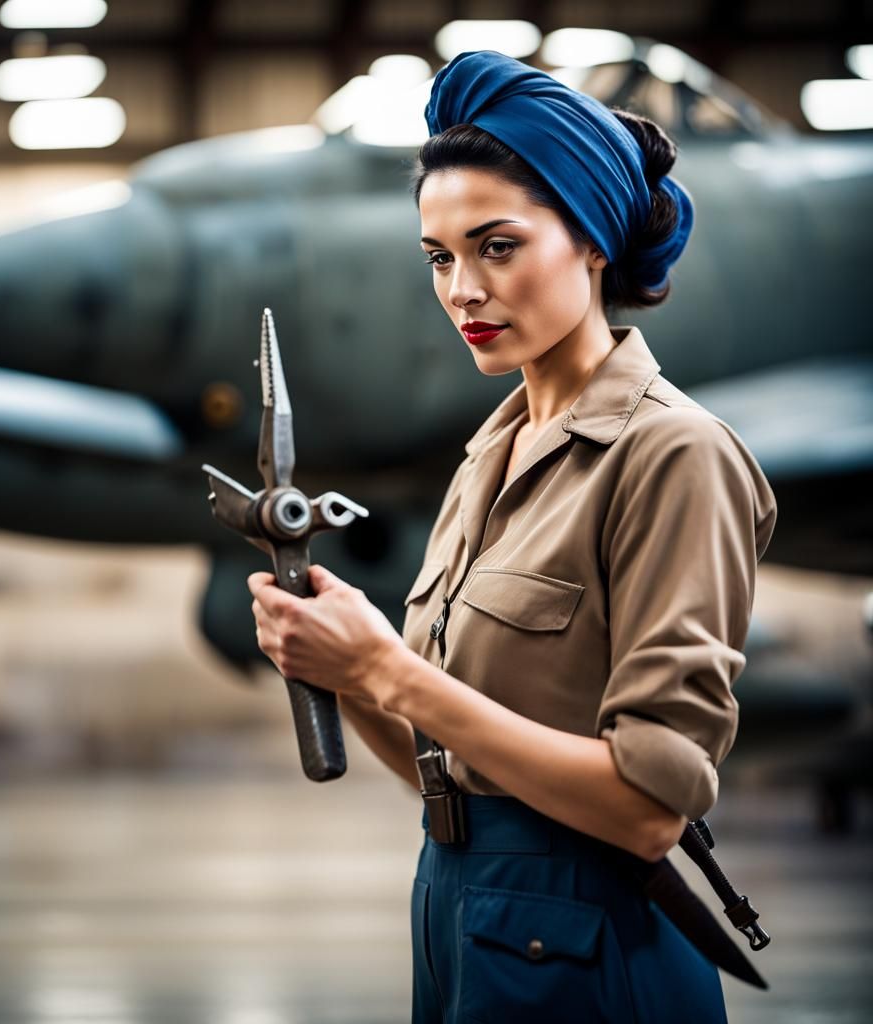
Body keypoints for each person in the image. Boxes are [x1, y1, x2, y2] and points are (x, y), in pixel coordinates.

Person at [247, 50, 777, 1023]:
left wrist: (395, 673)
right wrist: (346, 665)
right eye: (440, 257)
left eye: (497, 246)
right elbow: (453, 772)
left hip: (591, 952)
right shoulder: (488, 457)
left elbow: (647, 805)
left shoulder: (673, 453)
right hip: (460, 921)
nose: (461, 290)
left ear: (591, 243)